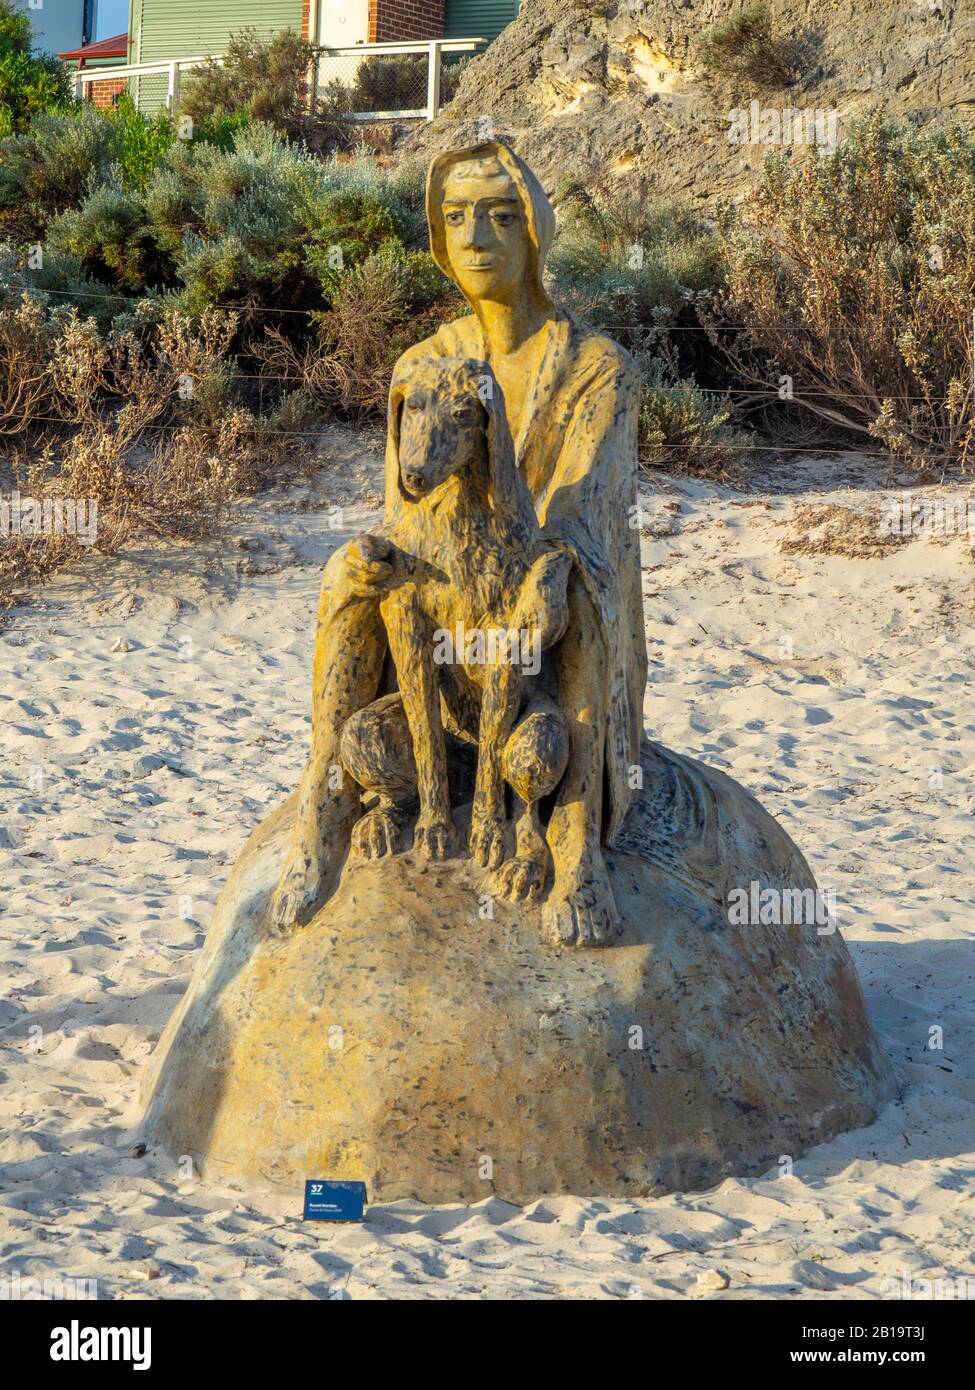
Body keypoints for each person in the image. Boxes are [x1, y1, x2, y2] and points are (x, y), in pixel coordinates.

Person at [270, 141, 647, 947]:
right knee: (350, 573)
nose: (475, 235)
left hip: (535, 619)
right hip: (447, 620)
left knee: (575, 587)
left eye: (500, 216)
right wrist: (378, 554)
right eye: (455, 217)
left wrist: (546, 569)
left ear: (535, 233)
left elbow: (586, 510)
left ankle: (572, 840)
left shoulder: (596, 367)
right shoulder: (423, 364)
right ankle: (325, 797)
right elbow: (408, 510)